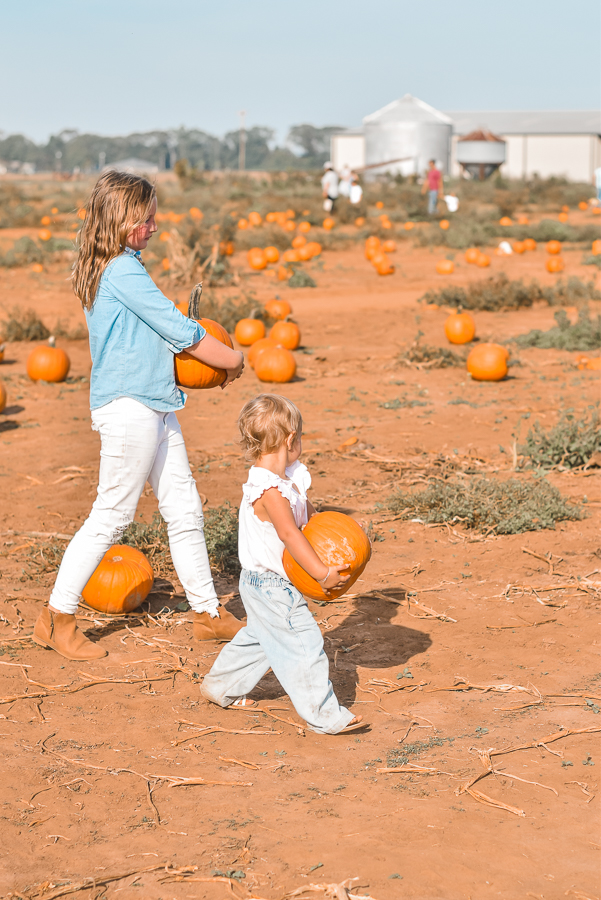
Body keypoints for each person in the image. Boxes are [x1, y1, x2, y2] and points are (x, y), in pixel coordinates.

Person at [33, 171, 245, 661]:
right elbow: (176, 327)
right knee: (112, 515)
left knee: (184, 507)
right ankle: (57, 618)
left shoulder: (120, 263)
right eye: (147, 217)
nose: (155, 225)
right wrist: (231, 361)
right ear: (126, 220)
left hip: (154, 402)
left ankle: (207, 614)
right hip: (130, 407)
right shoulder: (123, 272)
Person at [200, 394, 366, 735]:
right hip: (271, 585)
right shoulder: (270, 491)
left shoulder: (286, 480)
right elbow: (290, 534)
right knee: (304, 645)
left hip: (262, 582)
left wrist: (334, 530)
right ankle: (324, 715)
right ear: (291, 439)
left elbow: (307, 524)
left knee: (261, 640)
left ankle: (219, 686)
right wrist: (321, 572)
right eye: (300, 437)